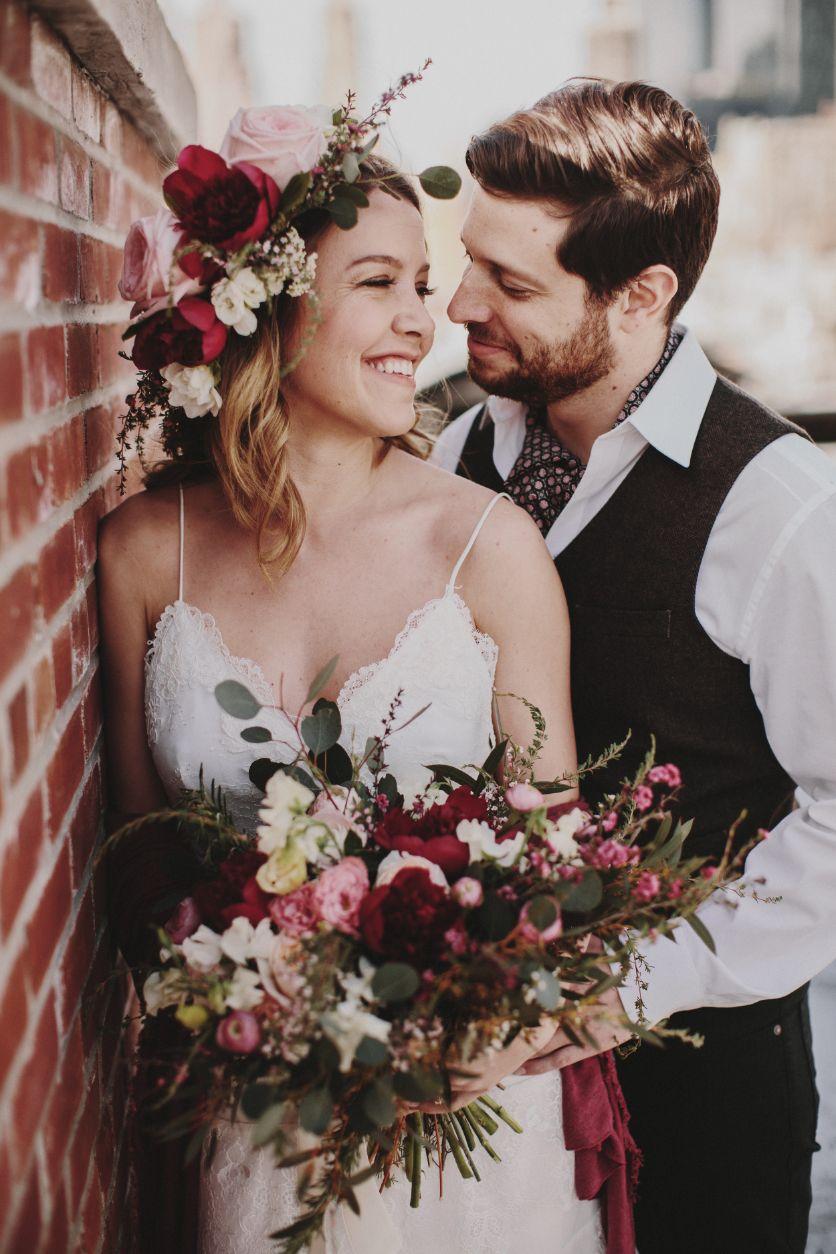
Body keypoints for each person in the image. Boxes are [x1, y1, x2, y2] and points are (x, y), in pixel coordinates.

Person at [98, 131, 605, 1251]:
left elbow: (555, 850)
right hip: (258, 1126)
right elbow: (135, 851)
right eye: (379, 284)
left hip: (470, 1124)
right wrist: (244, 988)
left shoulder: (489, 546)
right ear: (261, 311)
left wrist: (481, 1016)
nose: (422, 320)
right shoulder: (141, 553)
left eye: (422, 285)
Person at [432, 77, 836, 1254]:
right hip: (485, 1098)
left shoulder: (778, 506)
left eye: (511, 285)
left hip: (703, 1097)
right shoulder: (457, 452)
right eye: (469, 262)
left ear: (641, 295)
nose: (460, 305)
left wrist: (633, 985)